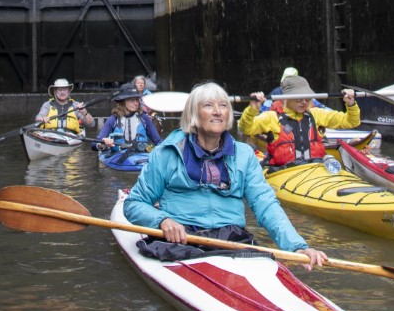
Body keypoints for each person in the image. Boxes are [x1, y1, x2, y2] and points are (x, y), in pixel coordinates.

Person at [123, 82, 327, 265]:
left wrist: (297, 246)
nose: (217, 112)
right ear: (193, 115)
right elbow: (134, 204)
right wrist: (162, 221)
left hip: (232, 240)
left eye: (223, 106)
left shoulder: (245, 155)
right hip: (181, 240)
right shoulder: (166, 153)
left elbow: (265, 204)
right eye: (208, 106)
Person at [239, 74, 360, 167]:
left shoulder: (316, 114)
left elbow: (351, 122)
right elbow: (246, 128)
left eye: (307, 98)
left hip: (315, 168)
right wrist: (252, 109)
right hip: (283, 171)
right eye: (298, 98)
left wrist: (351, 104)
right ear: (286, 98)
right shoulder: (272, 117)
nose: (304, 102)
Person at [95, 82, 162, 150]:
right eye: (132, 100)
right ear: (123, 101)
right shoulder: (113, 119)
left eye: (137, 100)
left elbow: (158, 141)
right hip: (118, 156)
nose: (136, 103)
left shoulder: (144, 118)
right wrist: (102, 144)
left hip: (141, 157)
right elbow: (95, 144)